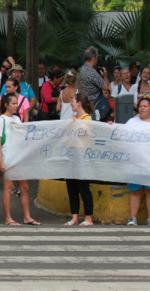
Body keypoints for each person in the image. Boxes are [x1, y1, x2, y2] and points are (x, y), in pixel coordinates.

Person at [0, 93, 41, 226]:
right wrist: (1, 161)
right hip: (8, 157)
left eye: (17, 103)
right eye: (13, 104)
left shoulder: (17, 118)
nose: (16, 106)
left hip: (19, 157)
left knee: (25, 187)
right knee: (8, 187)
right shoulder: (1, 120)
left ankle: (27, 217)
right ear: (6, 105)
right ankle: (8, 218)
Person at [64, 94, 94, 226]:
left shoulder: (87, 118)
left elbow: (84, 132)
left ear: (79, 103)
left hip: (82, 156)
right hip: (71, 155)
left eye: (73, 101)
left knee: (83, 187)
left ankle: (88, 217)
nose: (71, 103)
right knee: (71, 187)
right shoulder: (73, 118)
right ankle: (74, 217)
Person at [125, 97, 150, 226]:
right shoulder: (131, 122)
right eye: (140, 106)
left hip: (148, 165)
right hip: (134, 165)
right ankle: (132, 218)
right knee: (135, 191)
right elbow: (120, 136)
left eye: (145, 106)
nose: (142, 108)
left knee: (149, 191)